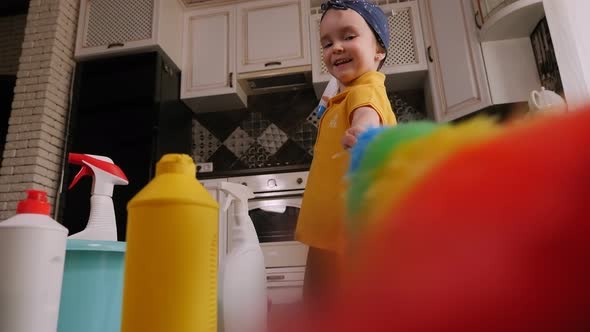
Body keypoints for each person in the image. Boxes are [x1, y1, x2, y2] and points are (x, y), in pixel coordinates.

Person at [294, 0, 397, 307]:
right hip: (330, 232)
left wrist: (364, 133)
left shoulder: (365, 90)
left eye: (348, 36)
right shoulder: (342, 96)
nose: (335, 47)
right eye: (327, 42)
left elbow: (367, 115)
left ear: (378, 50)